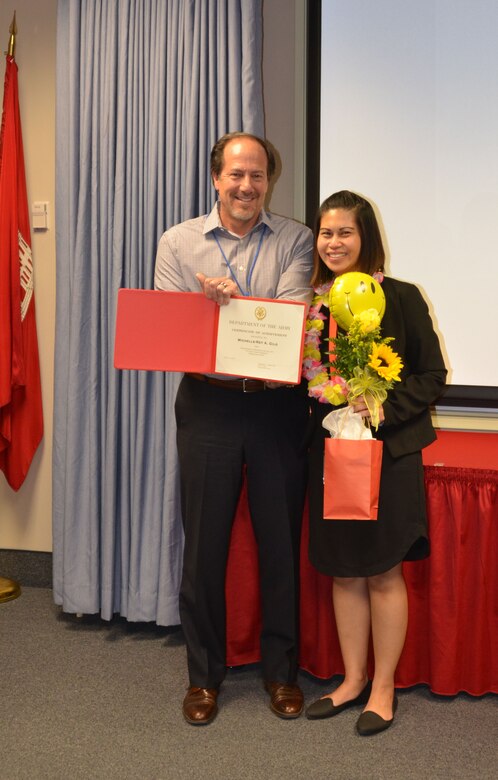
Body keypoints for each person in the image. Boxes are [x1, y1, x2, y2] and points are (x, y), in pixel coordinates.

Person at [154, 132, 313, 725]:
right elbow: (172, 331)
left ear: (268, 181)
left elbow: (291, 319)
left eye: (258, 176)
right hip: (208, 404)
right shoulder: (178, 242)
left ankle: (281, 673)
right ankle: (203, 678)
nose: (247, 186)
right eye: (236, 175)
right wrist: (204, 309)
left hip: (275, 409)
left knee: (279, 545)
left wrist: (232, 304)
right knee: (204, 548)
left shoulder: (297, 240)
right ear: (216, 179)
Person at [303, 191, 446, 735]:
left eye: (344, 232)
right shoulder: (314, 306)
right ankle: (352, 679)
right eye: (325, 232)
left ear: (367, 239)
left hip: (390, 456)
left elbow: (432, 376)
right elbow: (305, 383)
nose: (333, 242)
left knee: (384, 572)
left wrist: (382, 406)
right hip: (332, 455)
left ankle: (383, 687)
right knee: (344, 570)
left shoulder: (403, 297)